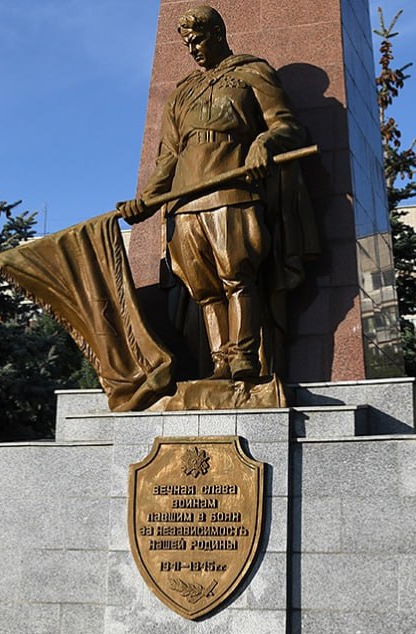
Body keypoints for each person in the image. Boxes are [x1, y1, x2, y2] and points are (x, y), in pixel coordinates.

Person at [117, 5, 310, 381]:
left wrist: (265, 142)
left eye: (199, 39)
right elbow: (169, 156)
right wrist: (146, 200)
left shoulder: (252, 74)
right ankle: (221, 360)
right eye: (187, 43)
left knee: (238, 275)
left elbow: (288, 126)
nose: (193, 49)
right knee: (204, 289)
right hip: (186, 201)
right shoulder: (181, 94)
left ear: (218, 33)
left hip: (231, 191)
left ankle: (244, 357)